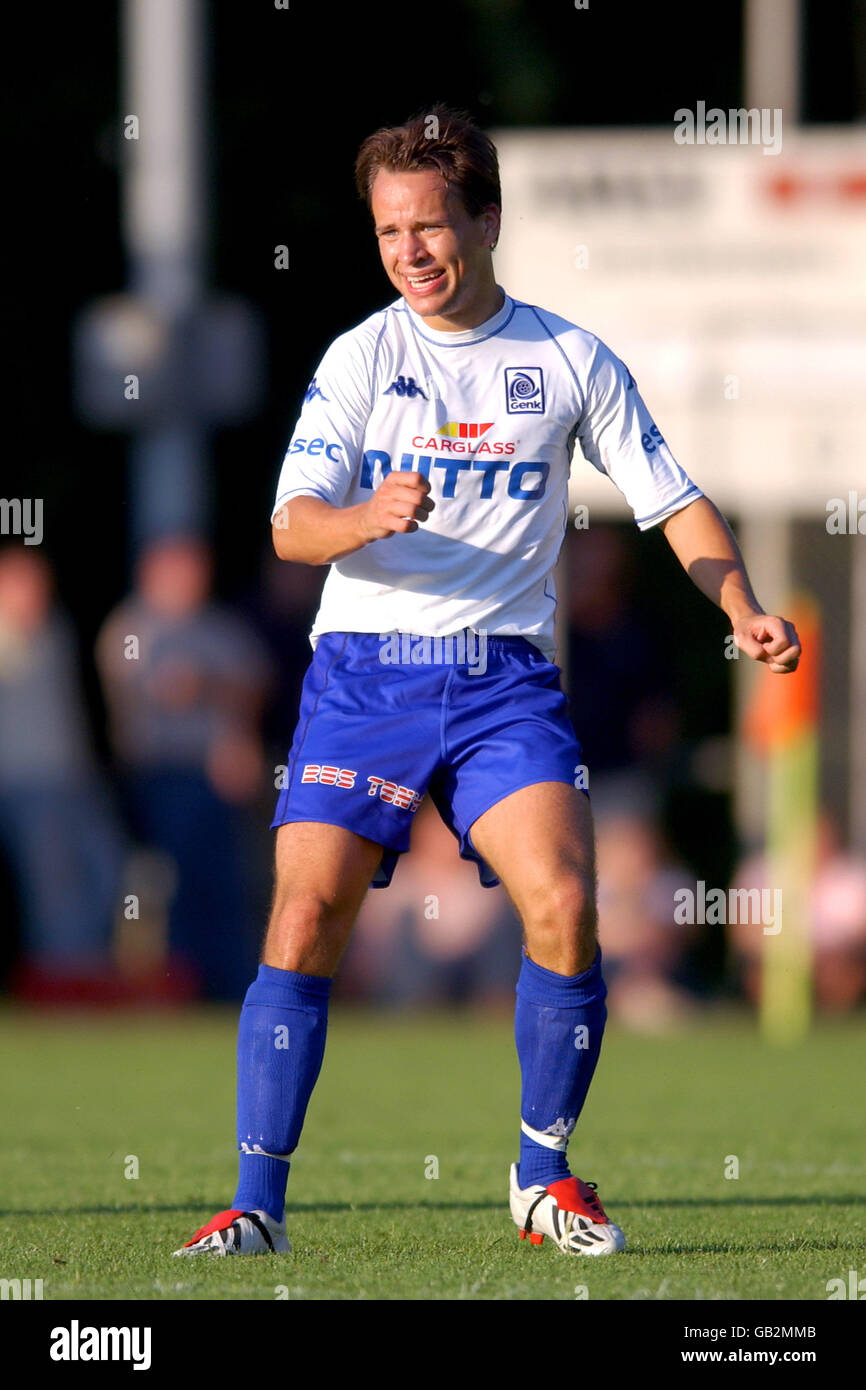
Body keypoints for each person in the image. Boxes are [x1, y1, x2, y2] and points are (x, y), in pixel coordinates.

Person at [174, 106, 800, 1259]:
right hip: (365, 675)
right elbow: (289, 526)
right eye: (387, 231)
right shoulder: (361, 357)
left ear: (487, 221)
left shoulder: (564, 358)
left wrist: (741, 606)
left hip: (505, 681)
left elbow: (671, 499)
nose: (410, 251)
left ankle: (539, 1177)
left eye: (430, 226)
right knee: (305, 916)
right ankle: (254, 1205)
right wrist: (362, 517)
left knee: (562, 901)